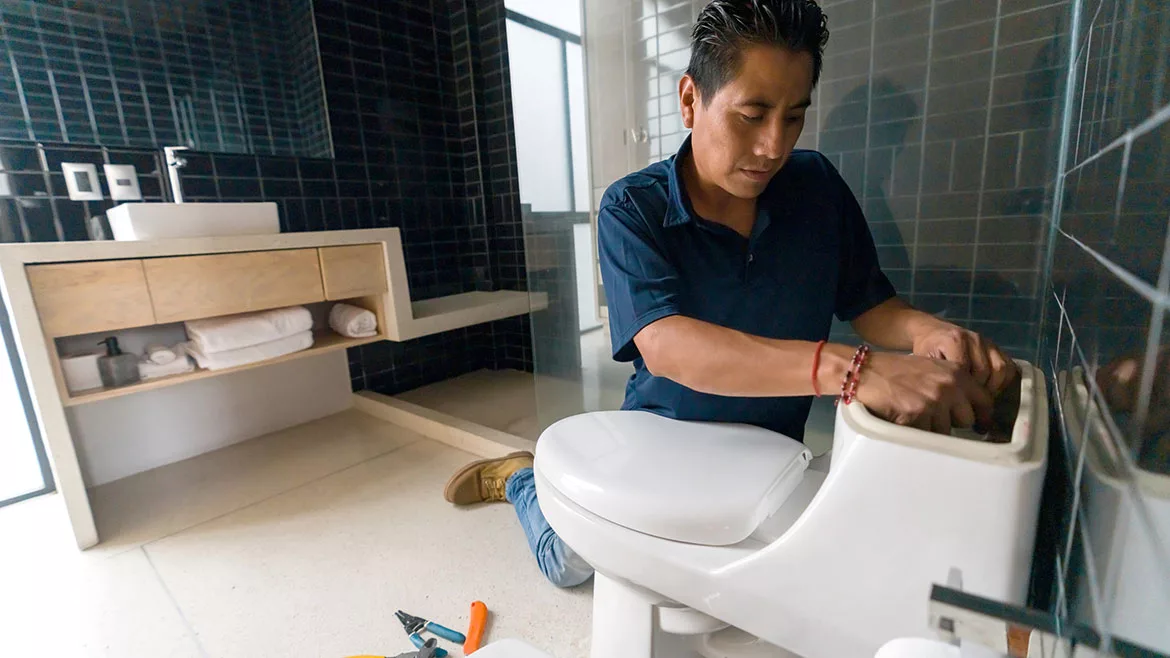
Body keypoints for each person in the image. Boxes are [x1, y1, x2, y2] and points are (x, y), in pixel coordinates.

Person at [442, 0, 1018, 588]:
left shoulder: (817, 187)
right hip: (661, 436)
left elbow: (873, 308)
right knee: (574, 565)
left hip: (769, 451)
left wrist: (927, 332)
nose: (774, 145)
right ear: (691, 100)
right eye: (752, 114)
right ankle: (521, 477)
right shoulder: (632, 207)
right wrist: (855, 372)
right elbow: (668, 347)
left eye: (793, 117)